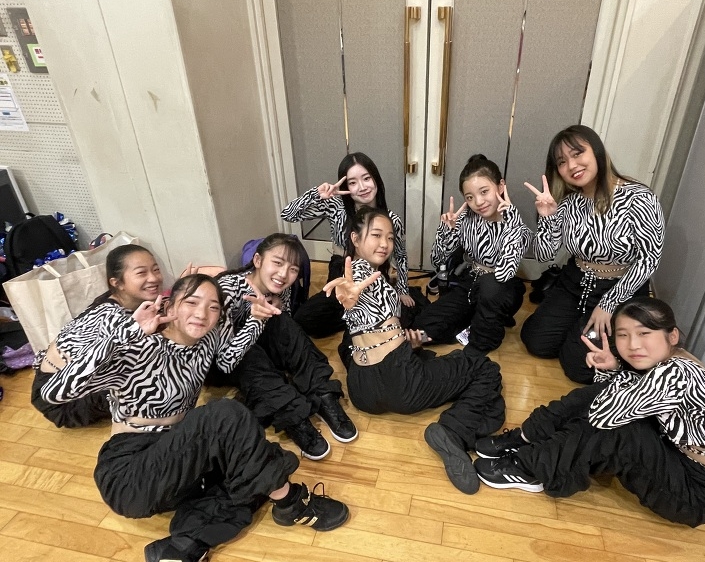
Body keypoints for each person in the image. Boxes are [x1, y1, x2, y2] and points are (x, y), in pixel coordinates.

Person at [40, 274, 349, 562]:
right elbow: (53, 392)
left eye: (213, 307)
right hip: (131, 472)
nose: (202, 313)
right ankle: (292, 503)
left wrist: (256, 319)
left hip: (176, 463)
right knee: (226, 416)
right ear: (170, 305)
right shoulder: (138, 346)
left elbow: (228, 360)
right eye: (191, 302)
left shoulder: (206, 339)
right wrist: (126, 334)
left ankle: (182, 548)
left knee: (250, 465)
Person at [474, 297, 705, 527]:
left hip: (693, 493)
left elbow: (604, 417)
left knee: (616, 428)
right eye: (622, 335)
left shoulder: (676, 373)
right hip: (672, 451)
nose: (633, 345)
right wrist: (615, 369)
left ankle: (532, 468)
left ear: (672, 336)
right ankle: (527, 437)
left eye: (644, 333)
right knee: (598, 398)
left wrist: (615, 376)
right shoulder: (669, 360)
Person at [323, 207, 505, 495]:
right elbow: (354, 295)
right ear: (355, 239)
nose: (385, 244)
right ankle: (453, 431)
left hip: (361, 390)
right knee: (484, 369)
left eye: (390, 238)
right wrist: (351, 299)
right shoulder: (357, 277)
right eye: (376, 235)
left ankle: (421, 363)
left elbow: (369, 322)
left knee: (424, 350)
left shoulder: (369, 273)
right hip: (403, 384)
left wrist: (406, 338)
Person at [521, 125, 664, 383]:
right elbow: (544, 255)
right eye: (562, 162)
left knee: (577, 364)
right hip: (574, 282)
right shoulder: (568, 203)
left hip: (620, 287)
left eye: (578, 154)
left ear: (596, 151)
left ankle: (605, 341)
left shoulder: (639, 197)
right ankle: (578, 328)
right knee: (536, 342)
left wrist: (609, 303)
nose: (571, 165)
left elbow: (649, 258)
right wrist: (548, 218)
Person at [209, 234, 357, 461]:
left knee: (284, 323)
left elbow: (284, 328)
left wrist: (272, 313)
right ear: (258, 260)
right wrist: (255, 322)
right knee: (252, 355)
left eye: (293, 269)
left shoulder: (280, 287)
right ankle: (293, 416)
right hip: (224, 360)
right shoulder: (227, 290)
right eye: (277, 263)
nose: (283, 274)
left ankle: (323, 394)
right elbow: (225, 362)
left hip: (256, 343)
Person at [280, 152, 415, 337]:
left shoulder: (390, 219)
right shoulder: (336, 207)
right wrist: (316, 194)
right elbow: (288, 214)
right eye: (352, 182)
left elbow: (400, 255)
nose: (362, 187)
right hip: (342, 272)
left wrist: (403, 289)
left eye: (366, 178)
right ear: (346, 187)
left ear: (376, 179)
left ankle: (359, 317)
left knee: (405, 316)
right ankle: (355, 317)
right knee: (305, 318)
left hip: (374, 276)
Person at [411, 154, 531, 357]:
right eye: (470, 197)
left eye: (484, 192)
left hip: (500, 289)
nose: (479, 202)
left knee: (488, 295)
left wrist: (511, 223)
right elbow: (437, 261)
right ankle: (470, 323)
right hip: (470, 284)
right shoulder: (466, 220)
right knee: (422, 329)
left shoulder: (518, 227)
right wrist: (446, 232)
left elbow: (504, 273)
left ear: (500, 186)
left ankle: (482, 330)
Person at [30, 244, 163, 428]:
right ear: (117, 283)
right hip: (61, 400)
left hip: (63, 378)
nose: (154, 278)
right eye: (141, 273)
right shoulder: (110, 318)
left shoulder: (120, 300)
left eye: (156, 269)